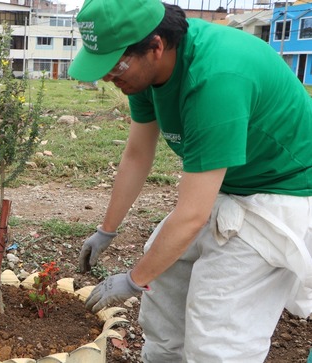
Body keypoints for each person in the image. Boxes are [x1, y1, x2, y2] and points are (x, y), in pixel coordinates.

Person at [68, 0, 312, 361]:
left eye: (115, 65)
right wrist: (107, 230)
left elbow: (192, 215)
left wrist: (132, 280)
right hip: (228, 185)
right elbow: (137, 155)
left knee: (218, 331)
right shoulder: (145, 77)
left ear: (156, 46)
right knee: (165, 285)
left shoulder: (215, 79)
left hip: (280, 194)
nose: (107, 77)